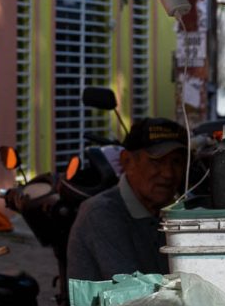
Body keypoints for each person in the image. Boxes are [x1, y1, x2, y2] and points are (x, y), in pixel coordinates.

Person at [66, 117, 189, 284]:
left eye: (176, 162)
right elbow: (134, 294)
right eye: (156, 161)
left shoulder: (171, 213)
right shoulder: (101, 214)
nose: (168, 173)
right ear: (127, 161)